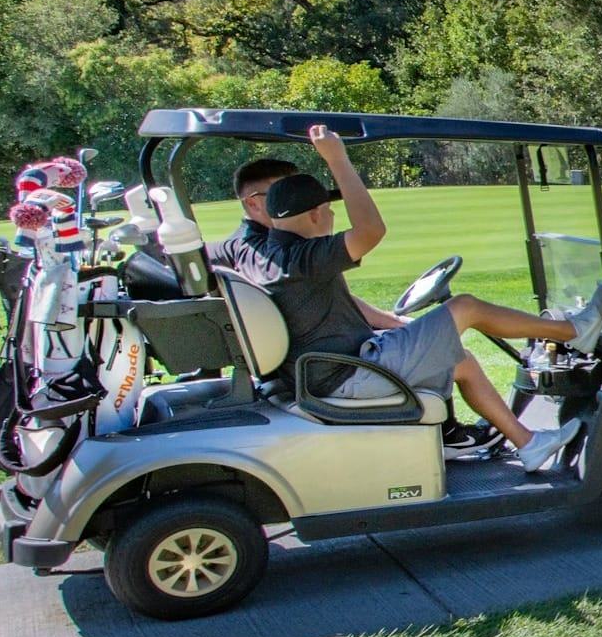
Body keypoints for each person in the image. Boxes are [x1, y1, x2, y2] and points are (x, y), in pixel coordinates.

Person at [255, 125, 602, 472]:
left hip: (337, 367)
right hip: (348, 376)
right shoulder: (302, 259)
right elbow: (371, 231)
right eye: (329, 210)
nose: (332, 215)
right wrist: (338, 159)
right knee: (465, 306)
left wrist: (395, 324)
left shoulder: (274, 256)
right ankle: (573, 331)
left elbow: (339, 304)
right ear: (316, 214)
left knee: (461, 361)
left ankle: (529, 443)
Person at [215, 158, 503, 459]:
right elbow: (368, 233)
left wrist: (392, 321)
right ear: (253, 204)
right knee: (454, 342)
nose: (290, 197)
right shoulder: (275, 253)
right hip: (328, 367)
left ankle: (447, 433)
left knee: (439, 349)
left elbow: (327, 299)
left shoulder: (248, 247)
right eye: (279, 192)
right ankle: (455, 434)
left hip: (310, 360)